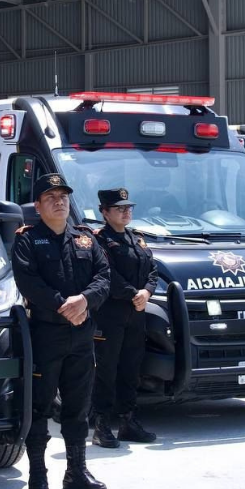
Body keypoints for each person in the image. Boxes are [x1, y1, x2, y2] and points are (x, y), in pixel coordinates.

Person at [11, 173, 110, 489]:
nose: (59, 201)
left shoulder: (85, 238)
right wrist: (62, 305)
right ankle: (37, 475)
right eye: (51, 197)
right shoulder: (27, 239)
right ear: (37, 206)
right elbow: (29, 282)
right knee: (39, 407)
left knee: (78, 408)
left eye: (63, 196)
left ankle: (76, 470)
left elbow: (104, 277)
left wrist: (84, 301)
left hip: (82, 337)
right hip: (45, 337)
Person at [91, 188, 158, 448]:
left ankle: (128, 421)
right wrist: (134, 293)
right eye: (119, 208)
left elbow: (152, 269)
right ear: (105, 212)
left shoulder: (137, 239)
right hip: (110, 314)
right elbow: (105, 274)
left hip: (135, 313)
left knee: (131, 368)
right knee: (106, 370)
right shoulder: (99, 240)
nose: (126, 211)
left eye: (128, 207)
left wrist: (147, 292)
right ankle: (102, 425)